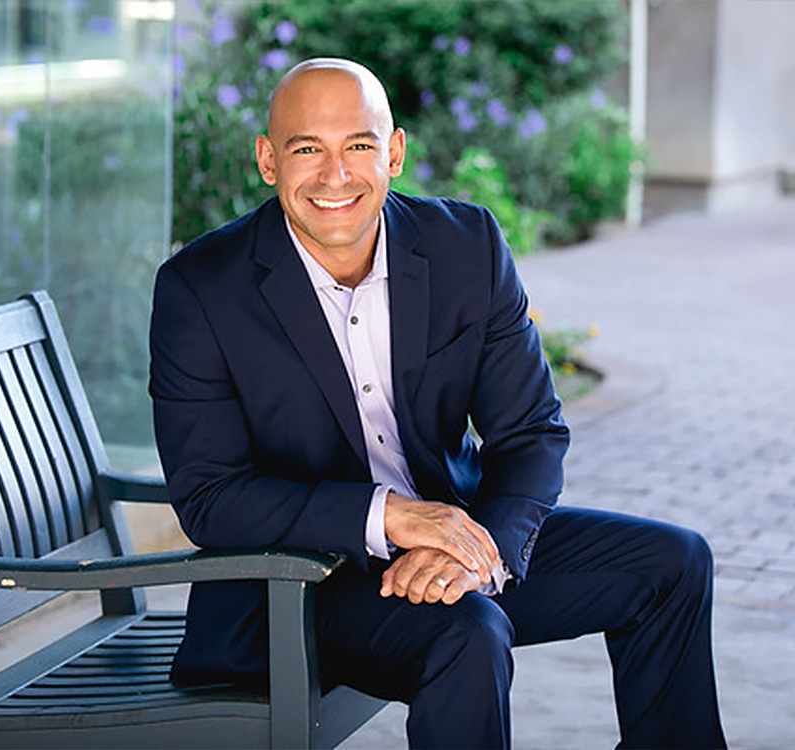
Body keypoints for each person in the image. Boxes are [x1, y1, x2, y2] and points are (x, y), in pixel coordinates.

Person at [149, 57, 726, 749]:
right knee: (470, 635)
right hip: (298, 585)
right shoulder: (202, 289)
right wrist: (389, 516)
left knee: (673, 563)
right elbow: (211, 497)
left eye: (358, 146)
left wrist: (481, 555)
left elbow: (531, 433)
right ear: (269, 161)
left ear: (393, 153)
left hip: (453, 544)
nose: (335, 176)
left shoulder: (466, 247)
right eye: (308, 149)